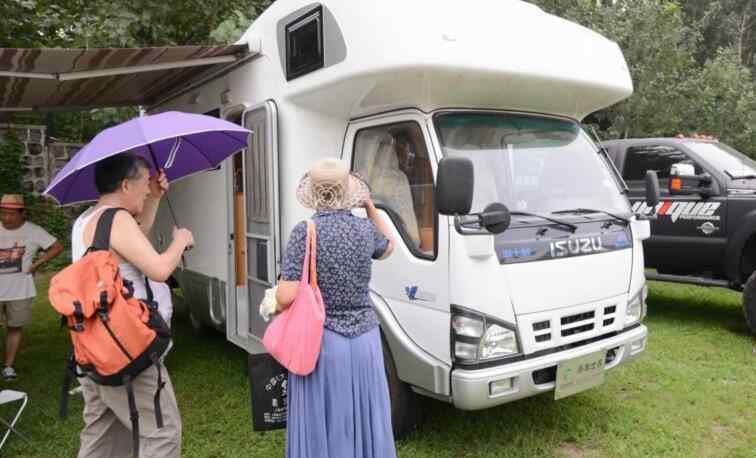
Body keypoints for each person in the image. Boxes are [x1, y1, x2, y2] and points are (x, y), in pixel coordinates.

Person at [71, 153, 193, 458]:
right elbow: (159, 269)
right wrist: (180, 241)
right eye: (143, 184)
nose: (146, 188)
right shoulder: (117, 218)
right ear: (125, 185)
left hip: (94, 346)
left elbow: (133, 244)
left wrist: (154, 198)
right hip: (127, 347)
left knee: (103, 436)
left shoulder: (88, 219)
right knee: (161, 434)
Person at [276, 158, 396, 458]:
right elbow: (389, 246)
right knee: (366, 417)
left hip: (323, 343)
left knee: (327, 422)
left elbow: (287, 296)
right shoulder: (366, 230)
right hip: (366, 341)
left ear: (314, 194)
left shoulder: (305, 231)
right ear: (349, 192)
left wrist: (277, 290)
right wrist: (370, 208)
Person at [0, 193, 64, 381]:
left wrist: (36, 264)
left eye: (11, 214)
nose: (6, 218)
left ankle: (8, 367)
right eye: (3, 214)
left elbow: (57, 246)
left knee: (14, 327)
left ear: (22, 213)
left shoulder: (33, 231)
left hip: (20, 290)